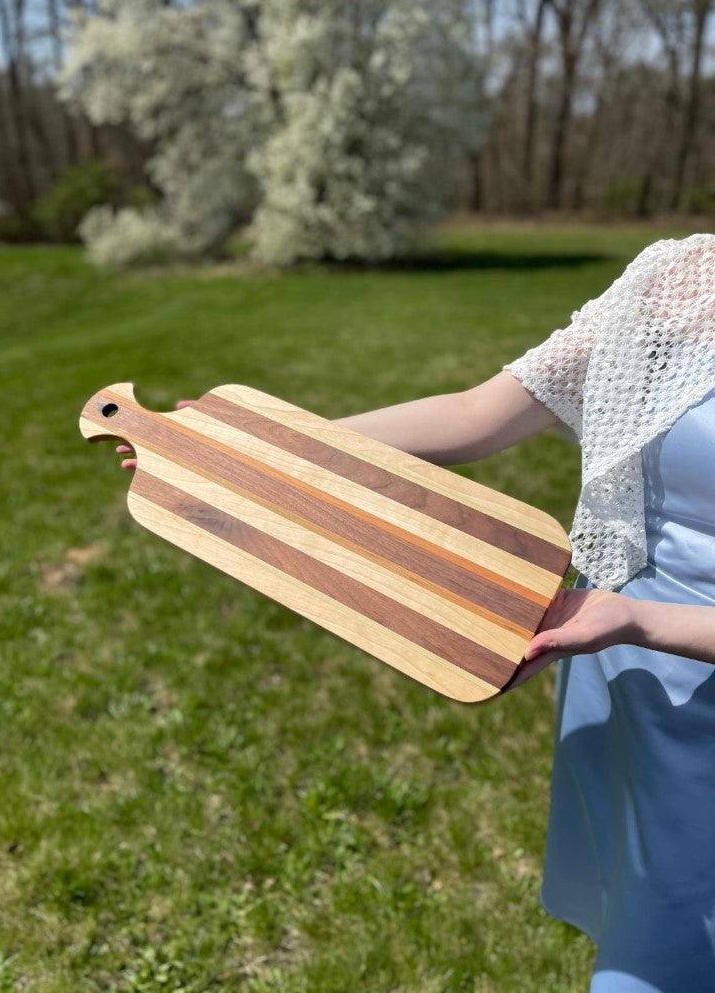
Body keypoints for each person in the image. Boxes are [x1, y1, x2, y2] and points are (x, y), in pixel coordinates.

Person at [116, 233, 715, 992]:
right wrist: (251, 453)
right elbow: (477, 414)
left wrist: (640, 621)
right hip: (622, 665)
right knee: (655, 919)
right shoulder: (680, 274)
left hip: (653, 637)